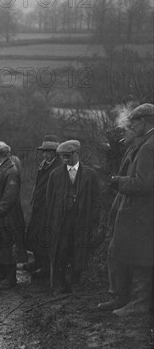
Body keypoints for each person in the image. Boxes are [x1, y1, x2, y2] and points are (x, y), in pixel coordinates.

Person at [98, 103, 153, 315]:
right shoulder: (146, 143)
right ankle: (127, 299)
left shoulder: (149, 146)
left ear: (145, 121)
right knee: (135, 254)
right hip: (140, 212)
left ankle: (139, 303)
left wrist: (119, 181)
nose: (131, 126)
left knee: (141, 256)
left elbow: (144, 183)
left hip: (143, 212)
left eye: (135, 122)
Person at [45, 140, 101, 295]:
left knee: (78, 252)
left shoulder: (90, 174)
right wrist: (50, 223)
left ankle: (75, 283)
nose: (65, 159)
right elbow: (49, 202)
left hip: (81, 221)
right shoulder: (55, 175)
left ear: (77, 153)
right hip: (61, 223)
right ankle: (59, 284)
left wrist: (93, 221)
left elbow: (96, 200)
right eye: (62, 156)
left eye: (68, 155)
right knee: (60, 252)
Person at [0, 141, 25, 291]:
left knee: (8, 246)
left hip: (8, 216)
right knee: (0, 244)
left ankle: (10, 277)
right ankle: (2, 271)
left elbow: (9, 197)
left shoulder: (11, 171)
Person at [23, 135, 63, 277]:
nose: (45, 154)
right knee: (34, 233)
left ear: (54, 152)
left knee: (45, 236)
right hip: (39, 205)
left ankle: (45, 266)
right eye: (44, 151)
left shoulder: (59, 166)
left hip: (49, 207)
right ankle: (38, 261)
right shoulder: (44, 165)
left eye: (48, 151)